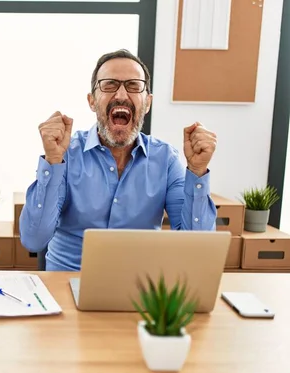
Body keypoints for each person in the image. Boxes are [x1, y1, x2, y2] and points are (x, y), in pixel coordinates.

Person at [19, 49, 218, 272]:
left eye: (133, 86)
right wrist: (53, 161)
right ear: (92, 101)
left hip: (139, 290)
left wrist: (198, 171)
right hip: (67, 282)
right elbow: (33, 240)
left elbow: (194, 251)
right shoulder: (66, 155)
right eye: (109, 84)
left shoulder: (166, 160)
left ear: (148, 103)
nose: (122, 95)